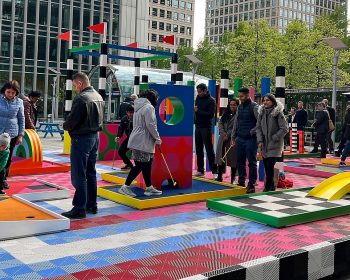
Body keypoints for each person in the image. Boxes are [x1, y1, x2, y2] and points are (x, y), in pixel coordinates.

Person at [62, 72, 104, 219]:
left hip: (82, 138)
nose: (75, 89)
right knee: (91, 173)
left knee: (78, 174)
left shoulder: (81, 98)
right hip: (95, 137)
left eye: (74, 86)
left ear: (79, 83)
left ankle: (79, 208)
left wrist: (65, 125)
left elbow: (72, 121)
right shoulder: (98, 96)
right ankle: (92, 204)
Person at [119, 89, 162, 197]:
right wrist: (157, 138)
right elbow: (151, 125)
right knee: (140, 165)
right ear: (153, 98)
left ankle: (149, 187)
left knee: (146, 164)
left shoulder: (138, 107)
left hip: (138, 139)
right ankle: (125, 186)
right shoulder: (148, 107)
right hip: (143, 140)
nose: (157, 100)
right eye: (156, 98)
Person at [256, 94, 288, 192]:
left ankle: (270, 186)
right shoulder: (261, 113)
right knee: (266, 166)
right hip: (265, 144)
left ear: (273, 101)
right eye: (264, 100)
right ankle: (269, 186)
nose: (265, 102)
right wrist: (260, 140)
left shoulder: (278, 113)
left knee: (271, 166)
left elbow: (285, 128)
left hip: (275, 144)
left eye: (267, 100)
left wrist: (275, 137)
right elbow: (258, 128)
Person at [231, 87, 259, 193]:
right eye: (239, 96)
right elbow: (236, 123)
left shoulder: (254, 107)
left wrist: (252, 131)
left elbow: (259, 122)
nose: (240, 98)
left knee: (252, 162)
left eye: (242, 96)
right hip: (240, 139)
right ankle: (241, 182)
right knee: (240, 162)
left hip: (251, 139)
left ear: (248, 95)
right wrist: (233, 137)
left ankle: (251, 184)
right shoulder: (239, 107)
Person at [0, 80, 24, 190]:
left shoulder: (19, 102)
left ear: (16, 93)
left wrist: (20, 135)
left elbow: (21, 119)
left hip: (12, 135)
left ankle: (3, 179)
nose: (10, 94)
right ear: (4, 90)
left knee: (7, 158)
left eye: (13, 93)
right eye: (8, 92)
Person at [194, 83, 217, 177]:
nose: (198, 93)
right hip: (198, 126)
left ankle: (214, 171)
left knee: (209, 149)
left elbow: (210, 115)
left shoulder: (211, 100)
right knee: (198, 149)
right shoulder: (198, 98)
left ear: (204, 90)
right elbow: (196, 110)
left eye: (200, 92)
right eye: (197, 92)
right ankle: (200, 170)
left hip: (206, 127)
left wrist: (198, 111)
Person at [215, 99, 239, 183]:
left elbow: (235, 127)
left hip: (232, 138)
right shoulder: (225, 113)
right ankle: (219, 176)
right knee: (221, 157)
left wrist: (228, 135)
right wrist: (223, 133)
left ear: (237, 105)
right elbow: (220, 123)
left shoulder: (238, 115)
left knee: (233, 159)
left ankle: (232, 178)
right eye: (231, 104)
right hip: (222, 138)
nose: (232, 106)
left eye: (234, 104)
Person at [115, 105, 134, 170]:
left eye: (132, 112)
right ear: (127, 112)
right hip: (129, 138)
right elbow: (121, 129)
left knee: (135, 155)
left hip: (137, 139)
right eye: (129, 112)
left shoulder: (137, 119)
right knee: (121, 151)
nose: (131, 114)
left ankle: (138, 168)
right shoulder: (124, 119)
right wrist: (118, 136)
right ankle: (129, 165)